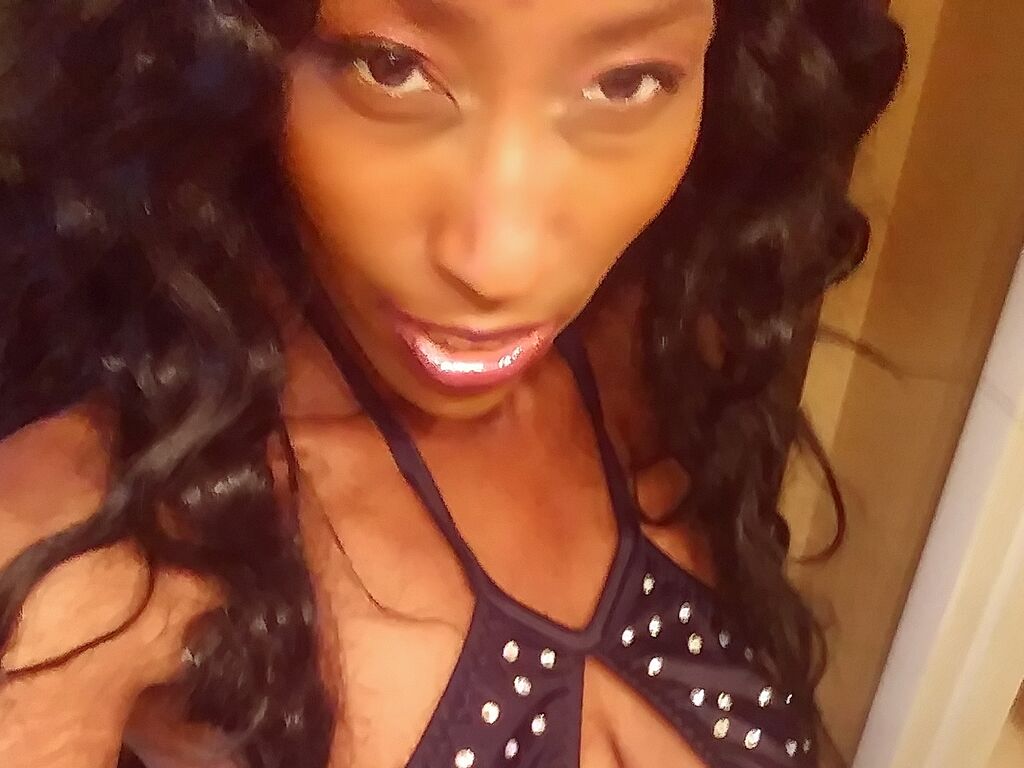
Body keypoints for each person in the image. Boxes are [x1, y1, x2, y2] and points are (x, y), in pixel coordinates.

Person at [0, 1, 905, 766]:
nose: (501, 263)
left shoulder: (658, 340)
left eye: (626, 83)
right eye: (390, 67)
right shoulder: (81, 544)